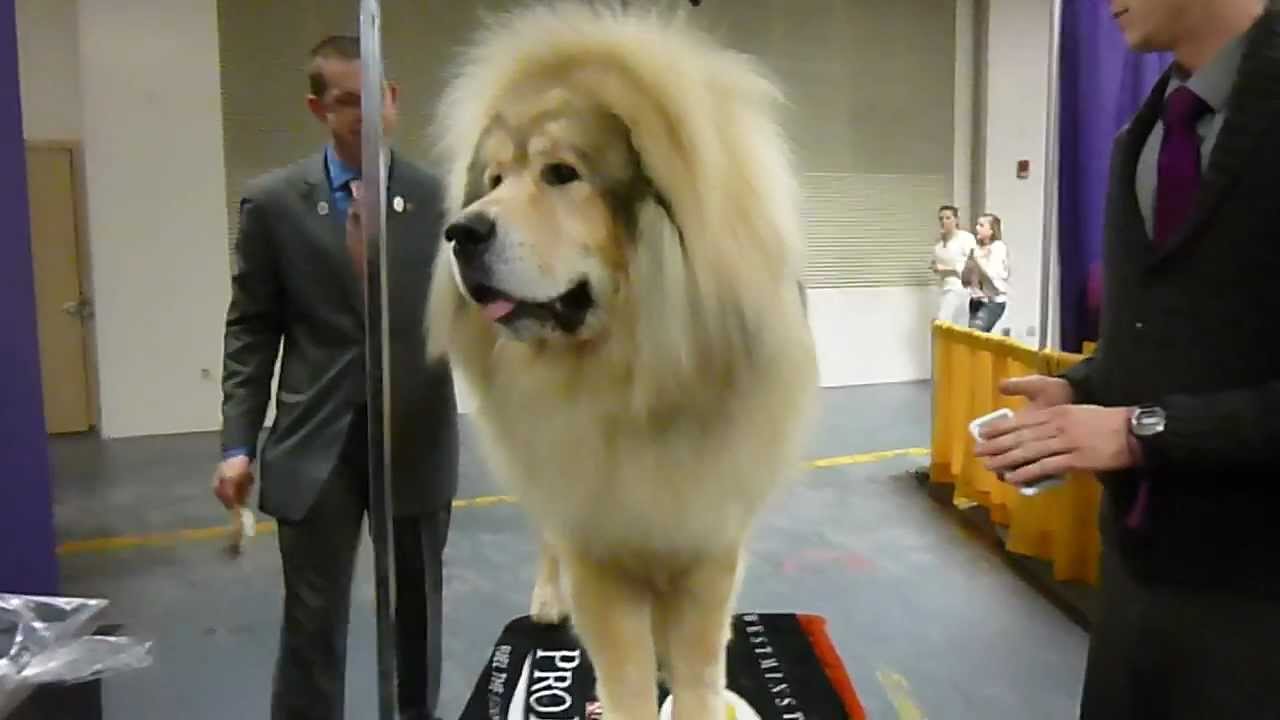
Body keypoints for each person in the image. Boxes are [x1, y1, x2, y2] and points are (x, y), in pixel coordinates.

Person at [974, 1, 1280, 717]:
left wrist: (1142, 433)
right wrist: (1082, 390)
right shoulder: (1138, 142)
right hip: (1138, 579)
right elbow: (1165, 338)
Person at [213, 35, 458, 720]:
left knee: (417, 616)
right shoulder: (273, 204)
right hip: (315, 443)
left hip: (416, 438)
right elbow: (252, 329)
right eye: (345, 101)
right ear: (317, 107)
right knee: (313, 624)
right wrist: (237, 444)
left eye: (374, 96)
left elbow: (480, 312)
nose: (364, 114)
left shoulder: (442, 200)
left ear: (395, 99)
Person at [930, 204, 978, 326]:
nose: (943, 221)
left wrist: (947, 269)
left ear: (956, 220)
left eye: (948, 218)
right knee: (955, 326)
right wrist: (937, 268)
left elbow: (973, 264)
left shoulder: (966, 238)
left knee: (942, 324)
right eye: (941, 219)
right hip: (946, 287)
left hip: (960, 287)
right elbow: (938, 267)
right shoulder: (938, 245)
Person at [966, 212, 1009, 332]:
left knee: (976, 333)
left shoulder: (998, 247)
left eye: (981, 225)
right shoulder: (975, 249)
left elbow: (992, 274)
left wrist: (979, 260)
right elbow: (967, 276)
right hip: (976, 300)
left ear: (991, 231)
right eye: (977, 225)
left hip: (993, 301)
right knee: (974, 338)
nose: (976, 228)